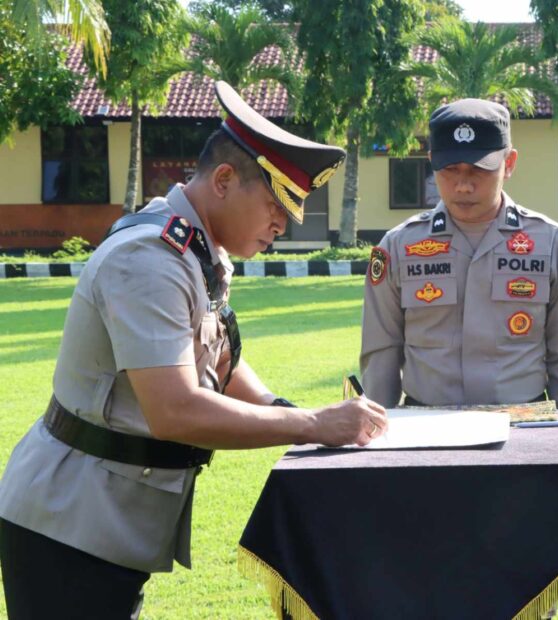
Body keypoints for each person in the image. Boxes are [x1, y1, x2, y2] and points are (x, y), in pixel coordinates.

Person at [0, 81, 388, 619]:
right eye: (276, 204)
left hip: (109, 518)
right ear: (225, 179)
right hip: (71, 525)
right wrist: (312, 425)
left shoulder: (200, 250)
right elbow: (175, 408)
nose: (282, 224)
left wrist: (287, 411)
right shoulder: (150, 259)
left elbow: (221, 362)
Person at [360, 98, 558, 410]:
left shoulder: (552, 245)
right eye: (450, 170)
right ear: (431, 161)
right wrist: (378, 441)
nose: (463, 186)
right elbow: (382, 354)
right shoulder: (397, 248)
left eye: (478, 170)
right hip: (426, 429)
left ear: (509, 164)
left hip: (522, 429)